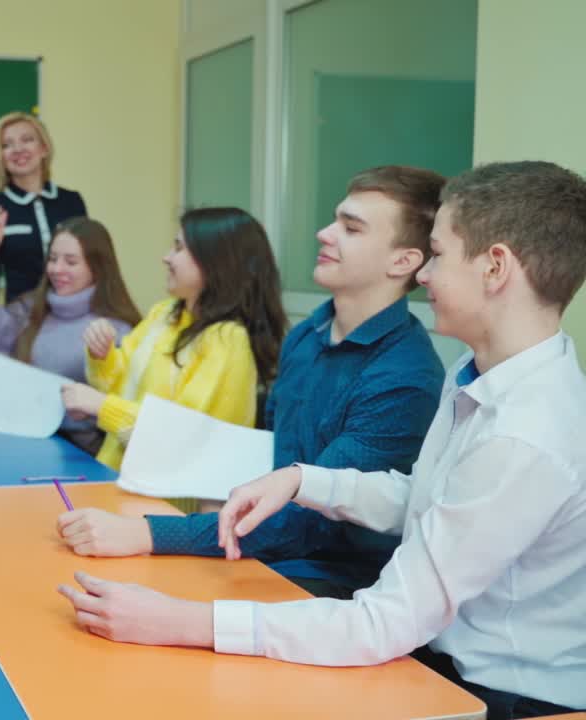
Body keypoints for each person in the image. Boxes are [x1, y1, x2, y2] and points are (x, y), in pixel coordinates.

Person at [57, 161, 586, 720]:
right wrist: (303, 480)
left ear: (495, 267)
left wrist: (182, 621)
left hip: (500, 696)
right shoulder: (476, 376)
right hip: (437, 657)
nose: (425, 275)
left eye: (437, 255)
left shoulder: (525, 434)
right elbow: (429, 501)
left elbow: (386, 621)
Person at [57, 166, 446, 599]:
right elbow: (272, 456)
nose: (324, 233)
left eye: (351, 229)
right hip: (267, 546)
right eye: (335, 220)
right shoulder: (306, 336)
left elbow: (309, 518)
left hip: (329, 583)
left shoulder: (405, 377)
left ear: (403, 261)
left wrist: (145, 533)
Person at [60, 208, 287, 512]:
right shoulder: (164, 313)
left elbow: (181, 438)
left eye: (179, 248)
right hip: (119, 482)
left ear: (214, 261)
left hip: (170, 508)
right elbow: (118, 385)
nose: (166, 257)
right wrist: (103, 356)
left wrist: (101, 407)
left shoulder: (227, 340)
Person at [0, 213, 140, 452]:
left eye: (71, 262)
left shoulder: (117, 330)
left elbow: (122, 413)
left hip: (78, 457)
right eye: (53, 259)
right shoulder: (30, 311)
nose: (57, 269)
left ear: (97, 268)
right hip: (17, 445)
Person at [0, 111, 87, 306]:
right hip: (20, 318)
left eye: (27, 140)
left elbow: (90, 263)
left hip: (73, 313)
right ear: (0, 156)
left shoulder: (72, 201)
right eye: (6, 145)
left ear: (44, 148)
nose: (18, 149)